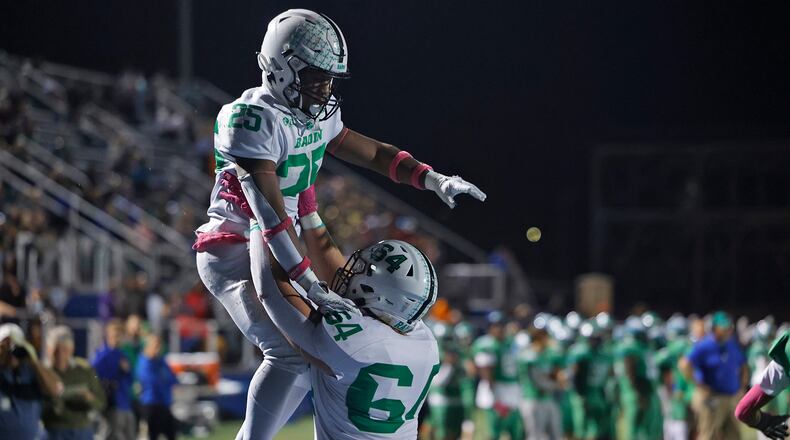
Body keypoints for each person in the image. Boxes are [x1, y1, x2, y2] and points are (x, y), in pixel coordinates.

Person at [193, 8, 485, 440]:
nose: (324, 90)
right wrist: (309, 284)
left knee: (311, 351)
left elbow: (373, 153)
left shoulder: (314, 115)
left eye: (329, 79)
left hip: (281, 237)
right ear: (279, 67)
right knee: (292, 353)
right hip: (236, 243)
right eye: (315, 77)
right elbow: (270, 216)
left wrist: (431, 177)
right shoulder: (250, 117)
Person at [246, 183, 439, 439]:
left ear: (380, 294)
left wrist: (259, 217)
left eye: (363, 271)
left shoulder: (358, 345)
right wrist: (309, 213)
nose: (350, 271)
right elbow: (342, 280)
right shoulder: (421, 339)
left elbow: (273, 293)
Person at [686, 311, 747, 440]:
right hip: (712, 398)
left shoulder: (731, 344)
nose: (727, 330)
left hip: (732, 397)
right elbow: (685, 364)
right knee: (709, 434)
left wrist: (742, 387)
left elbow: (744, 366)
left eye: (728, 327)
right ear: (714, 328)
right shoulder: (704, 345)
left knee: (734, 435)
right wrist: (699, 385)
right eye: (723, 327)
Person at [41, 325, 106, 440]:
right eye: (56, 349)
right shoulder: (43, 373)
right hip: (54, 431)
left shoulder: (85, 372)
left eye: (64, 349)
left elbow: (101, 403)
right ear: (48, 349)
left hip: (82, 430)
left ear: (72, 349)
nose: (60, 354)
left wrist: (89, 399)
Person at [0, 322, 63, 439]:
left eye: (15, 346)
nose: (11, 352)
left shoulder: (32, 372)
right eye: (5, 346)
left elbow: (57, 390)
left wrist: (33, 359)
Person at [472, 313, 523, 440]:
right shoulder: (486, 344)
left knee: (516, 430)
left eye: (501, 325)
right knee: (494, 429)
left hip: (512, 388)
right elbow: (485, 371)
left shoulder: (511, 342)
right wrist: (494, 394)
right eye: (495, 326)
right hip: (495, 388)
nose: (499, 329)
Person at [734, 329, 790, 440]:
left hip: (767, 383)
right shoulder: (759, 349)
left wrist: (764, 422)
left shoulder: (785, 351)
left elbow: (743, 411)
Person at [517, 319, 563, 440]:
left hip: (548, 398)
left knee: (555, 435)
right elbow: (539, 382)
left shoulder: (548, 354)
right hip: (533, 399)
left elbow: (557, 373)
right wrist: (557, 385)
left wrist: (557, 379)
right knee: (536, 436)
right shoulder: (528, 356)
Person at [93, 319, 136, 440]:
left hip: (125, 403)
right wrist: (105, 384)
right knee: (112, 435)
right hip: (112, 404)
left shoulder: (123, 355)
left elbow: (131, 379)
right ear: (108, 335)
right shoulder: (102, 355)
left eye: (120, 336)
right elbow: (92, 375)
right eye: (115, 335)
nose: (117, 339)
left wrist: (126, 370)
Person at [135, 334, 178, 440]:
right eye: (155, 346)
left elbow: (173, 379)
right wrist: (164, 381)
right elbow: (152, 382)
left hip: (164, 403)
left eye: (159, 346)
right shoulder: (144, 363)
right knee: (153, 435)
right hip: (151, 405)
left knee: (172, 434)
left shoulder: (161, 361)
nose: (158, 350)